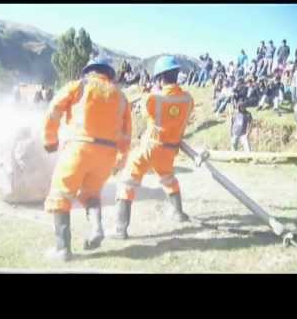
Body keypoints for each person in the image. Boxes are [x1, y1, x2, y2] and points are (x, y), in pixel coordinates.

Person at [42, 57, 132, 261]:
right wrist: (120, 159)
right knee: (91, 194)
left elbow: (54, 110)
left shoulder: (78, 86)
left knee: (61, 194)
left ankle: (62, 250)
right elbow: (126, 134)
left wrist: (49, 140)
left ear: (89, 71)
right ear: (109, 73)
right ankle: (96, 228)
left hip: (79, 149)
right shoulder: (121, 97)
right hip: (107, 155)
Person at [110, 56, 194, 240]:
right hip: (170, 150)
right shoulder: (188, 99)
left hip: (150, 147)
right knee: (169, 179)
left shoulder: (153, 98)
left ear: (159, 78)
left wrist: (151, 90)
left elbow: (144, 108)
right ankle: (178, 213)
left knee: (127, 181)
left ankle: (120, 229)